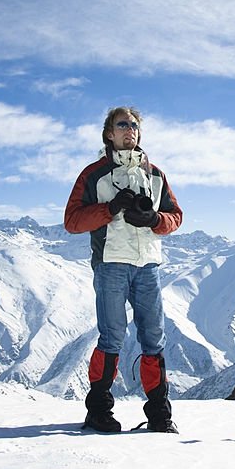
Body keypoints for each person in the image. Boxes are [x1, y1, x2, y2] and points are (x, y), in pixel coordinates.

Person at [64, 106, 183, 433]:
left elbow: (176, 216)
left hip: (147, 265)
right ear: (109, 134)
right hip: (111, 265)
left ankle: (160, 415)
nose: (129, 129)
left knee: (153, 338)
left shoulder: (155, 174)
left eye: (134, 125)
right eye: (122, 125)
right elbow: (72, 221)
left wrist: (154, 220)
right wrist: (110, 209)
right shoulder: (93, 175)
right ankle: (99, 411)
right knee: (112, 336)